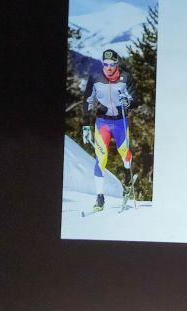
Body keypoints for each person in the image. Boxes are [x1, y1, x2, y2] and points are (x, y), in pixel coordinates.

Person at [81, 48, 137, 212]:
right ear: (102, 63)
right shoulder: (95, 77)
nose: (109, 67)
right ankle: (100, 198)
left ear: (117, 63)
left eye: (112, 64)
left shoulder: (126, 77)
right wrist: (85, 125)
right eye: (106, 64)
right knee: (101, 158)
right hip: (103, 123)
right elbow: (87, 100)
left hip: (121, 121)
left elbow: (135, 97)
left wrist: (128, 101)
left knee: (125, 154)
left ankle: (127, 179)